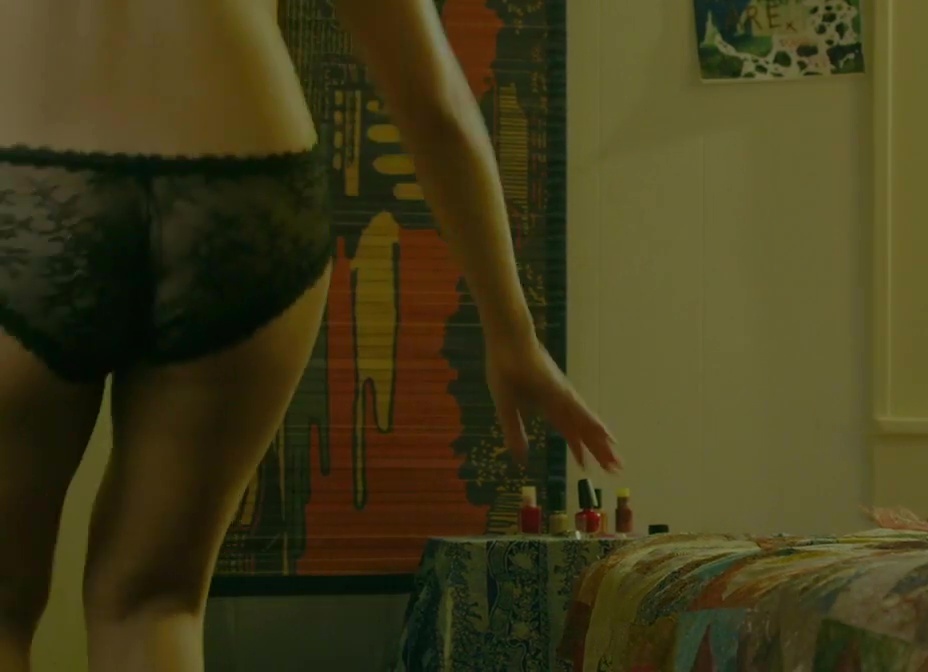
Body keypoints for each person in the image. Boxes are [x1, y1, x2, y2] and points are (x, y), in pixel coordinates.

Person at [0, 0, 620, 670]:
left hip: (25, 174)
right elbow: (434, 100)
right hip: (247, 186)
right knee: (155, 601)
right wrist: (512, 332)